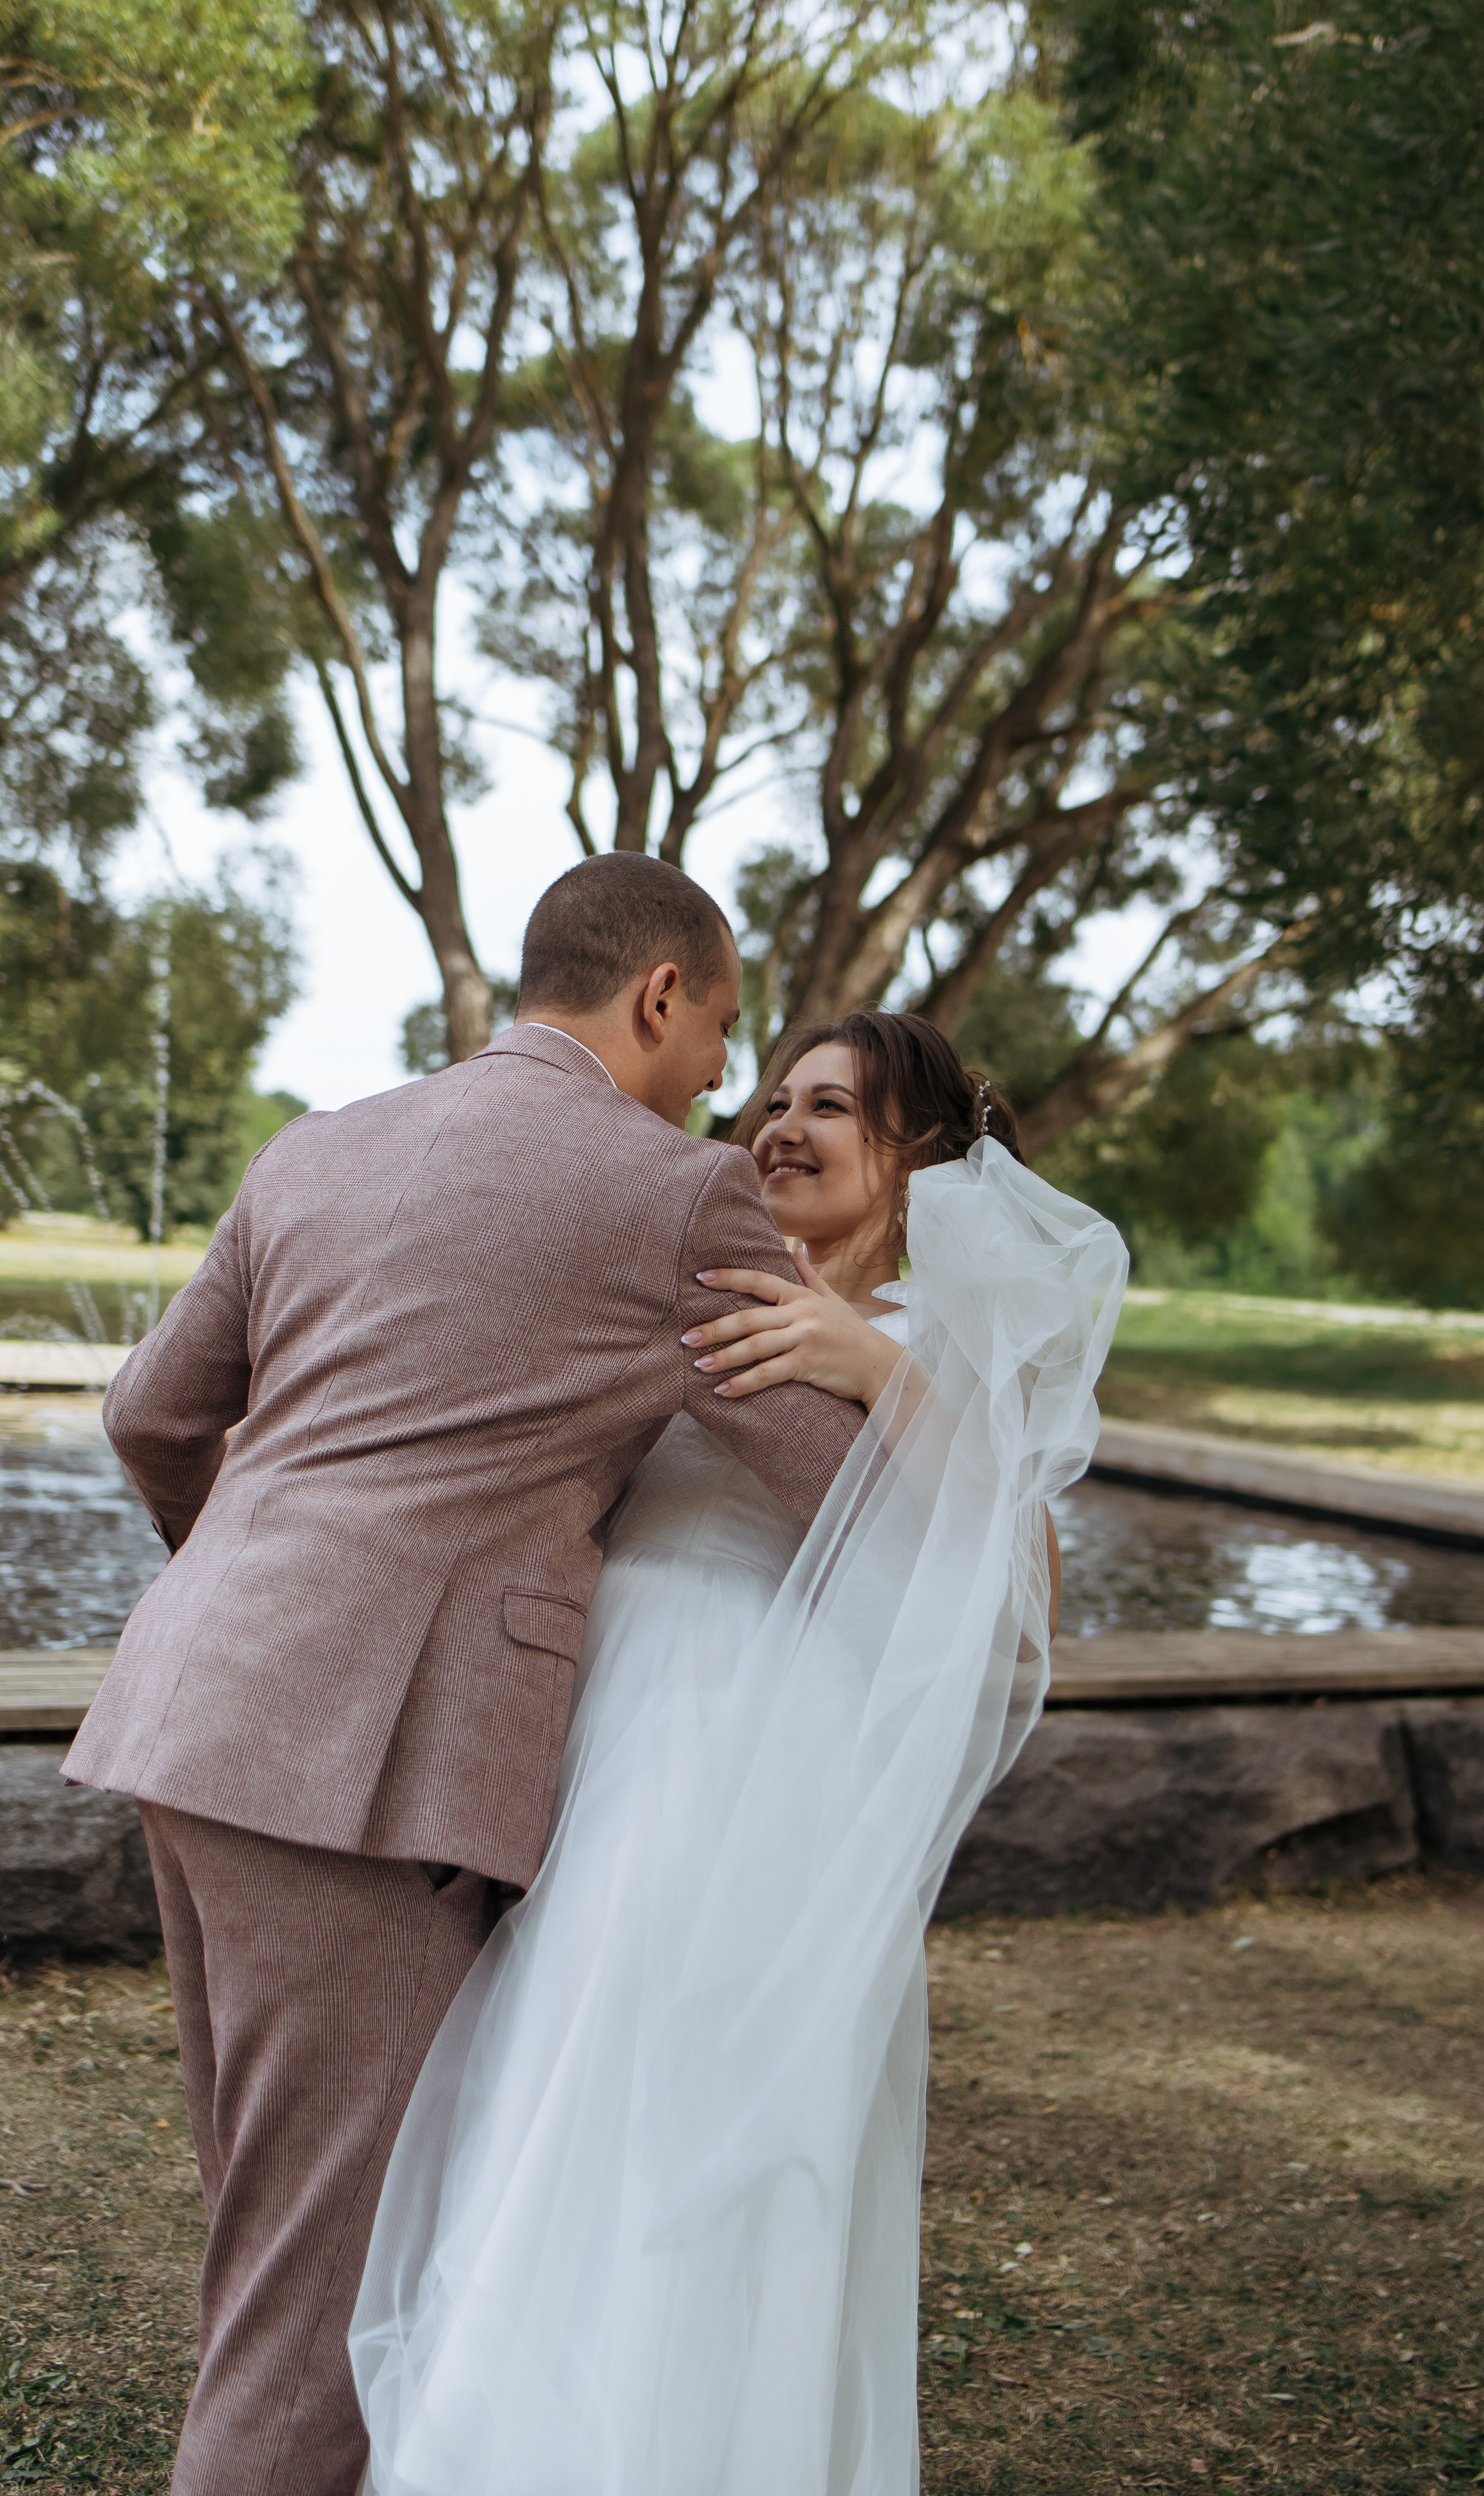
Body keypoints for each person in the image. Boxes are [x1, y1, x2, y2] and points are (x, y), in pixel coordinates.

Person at [62, 857, 870, 2496]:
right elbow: (834, 1490)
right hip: (363, 1779)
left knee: (268, 2233)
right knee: (317, 2301)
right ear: (659, 995)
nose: (722, 1082)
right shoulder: (672, 1196)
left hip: (188, 1723)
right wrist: (927, 1421)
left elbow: (153, 1417)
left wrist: (251, 1594)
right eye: (719, 1032)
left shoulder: (318, 1146)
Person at [349, 1010, 1128, 2496]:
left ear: (916, 1157)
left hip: (749, 1764)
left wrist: (875, 1370)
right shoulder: (691, 1285)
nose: (776, 1122)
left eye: (826, 1106)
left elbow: (1020, 1604)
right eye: (769, 1095)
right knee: (559, 2098)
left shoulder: (922, 1343)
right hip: (603, 1737)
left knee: (689, 2125)